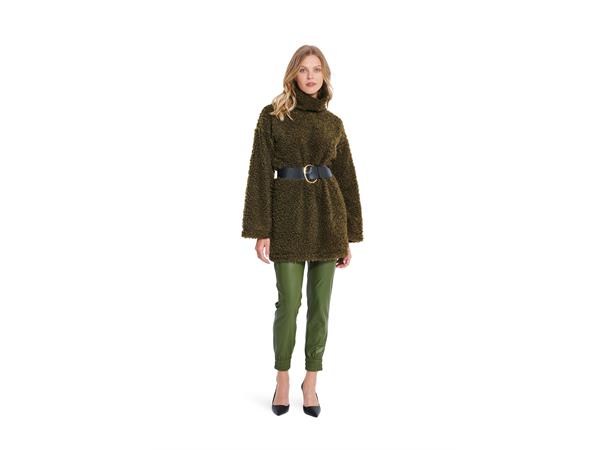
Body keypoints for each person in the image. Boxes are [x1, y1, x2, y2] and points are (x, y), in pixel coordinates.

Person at [241, 45, 364, 417]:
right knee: (289, 302)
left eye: (317, 69)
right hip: (288, 217)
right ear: (293, 74)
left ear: (325, 76)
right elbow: (259, 172)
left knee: (320, 306)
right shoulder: (273, 116)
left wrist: (348, 234)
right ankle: (282, 378)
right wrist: (261, 228)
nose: (311, 76)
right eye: (303, 69)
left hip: (328, 217)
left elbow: (346, 178)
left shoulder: (333, 123)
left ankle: (311, 381)